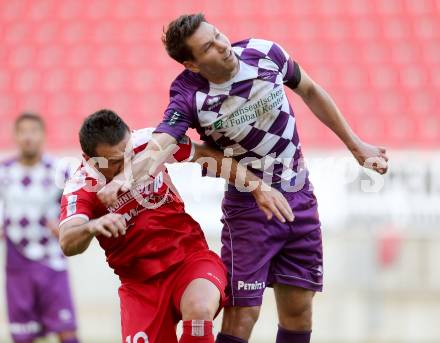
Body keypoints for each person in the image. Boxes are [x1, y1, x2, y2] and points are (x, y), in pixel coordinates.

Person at [98, 14, 389, 343]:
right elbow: (164, 141)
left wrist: (356, 145)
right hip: (249, 208)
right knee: (242, 316)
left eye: (218, 35)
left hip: (299, 196)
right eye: (208, 46)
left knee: (299, 312)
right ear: (191, 64)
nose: (223, 46)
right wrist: (125, 177)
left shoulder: (265, 53)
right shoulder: (189, 93)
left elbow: (310, 90)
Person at [59, 109, 291, 343]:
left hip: (190, 260)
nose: (127, 164)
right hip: (140, 286)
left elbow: (204, 155)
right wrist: (93, 226)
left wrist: (256, 186)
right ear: (90, 159)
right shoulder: (80, 185)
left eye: (128, 154)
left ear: (130, 134)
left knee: (199, 310)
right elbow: (68, 241)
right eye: (115, 162)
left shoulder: (149, 143)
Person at [0, 113, 79, 343]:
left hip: (51, 262)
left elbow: (76, 207)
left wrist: (67, 224)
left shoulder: (58, 170)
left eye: (34, 131)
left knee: (67, 332)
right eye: (23, 131)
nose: (28, 137)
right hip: (17, 265)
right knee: (23, 337)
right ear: (15, 136)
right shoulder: (3, 172)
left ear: (43, 135)